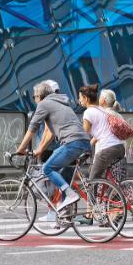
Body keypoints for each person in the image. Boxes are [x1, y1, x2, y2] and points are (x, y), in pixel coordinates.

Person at [16, 81, 91, 213]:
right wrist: (39, 149)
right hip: (84, 143)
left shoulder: (44, 104)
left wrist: (21, 149)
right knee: (64, 180)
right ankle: (65, 215)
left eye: (35, 97)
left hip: (72, 143)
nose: (35, 100)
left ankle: (71, 195)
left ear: (40, 96)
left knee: (47, 169)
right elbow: (50, 132)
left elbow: (32, 128)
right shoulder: (61, 103)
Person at [79, 84, 126, 182]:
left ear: (86, 98)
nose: (79, 101)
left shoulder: (88, 112)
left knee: (92, 180)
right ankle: (110, 194)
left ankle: (92, 198)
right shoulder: (102, 110)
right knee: (103, 177)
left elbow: (84, 133)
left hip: (107, 148)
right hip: (119, 147)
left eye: (80, 98)